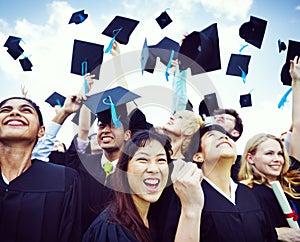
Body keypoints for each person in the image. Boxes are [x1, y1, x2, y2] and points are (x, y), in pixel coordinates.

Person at [82, 129, 204, 242]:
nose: (154, 169)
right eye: (143, 160)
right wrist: (191, 209)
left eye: (161, 160)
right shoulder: (112, 230)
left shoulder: (155, 219)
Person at [0, 96, 82, 242]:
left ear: (41, 131)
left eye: (26, 110)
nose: (14, 113)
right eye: (6, 110)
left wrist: (63, 113)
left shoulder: (63, 179)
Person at [238, 133, 300, 241]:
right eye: (269, 153)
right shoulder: (245, 192)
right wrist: (275, 233)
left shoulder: (294, 183)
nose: (277, 159)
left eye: (280, 154)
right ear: (250, 158)